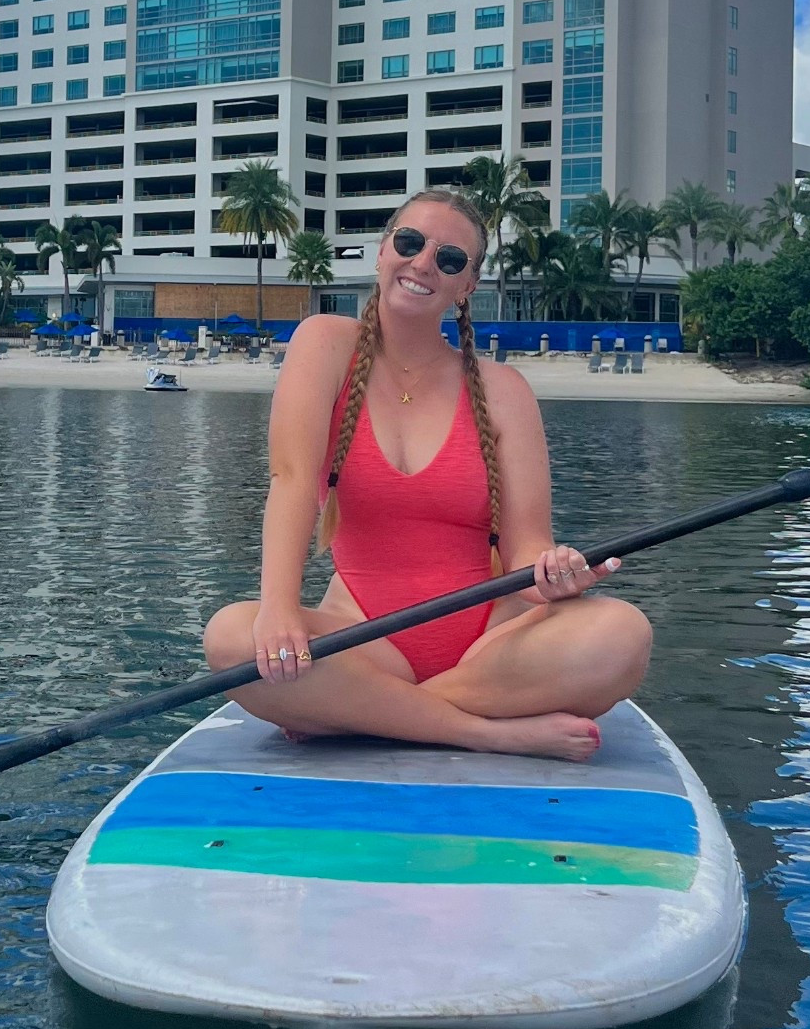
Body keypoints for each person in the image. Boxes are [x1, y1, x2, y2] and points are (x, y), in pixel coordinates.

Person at [203, 188, 652, 762]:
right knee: (231, 638)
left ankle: (363, 714)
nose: (422, 264)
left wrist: (554, 573)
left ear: (468, 284)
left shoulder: (503, 391)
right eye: (410, 242)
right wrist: (279, 610)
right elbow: (291, 480)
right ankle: (480, 731)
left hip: (494, 645)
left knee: (623, 635)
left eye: (449, 259)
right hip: (364, 642)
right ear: (382, 250)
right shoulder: (324, 344)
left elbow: (526, 551)